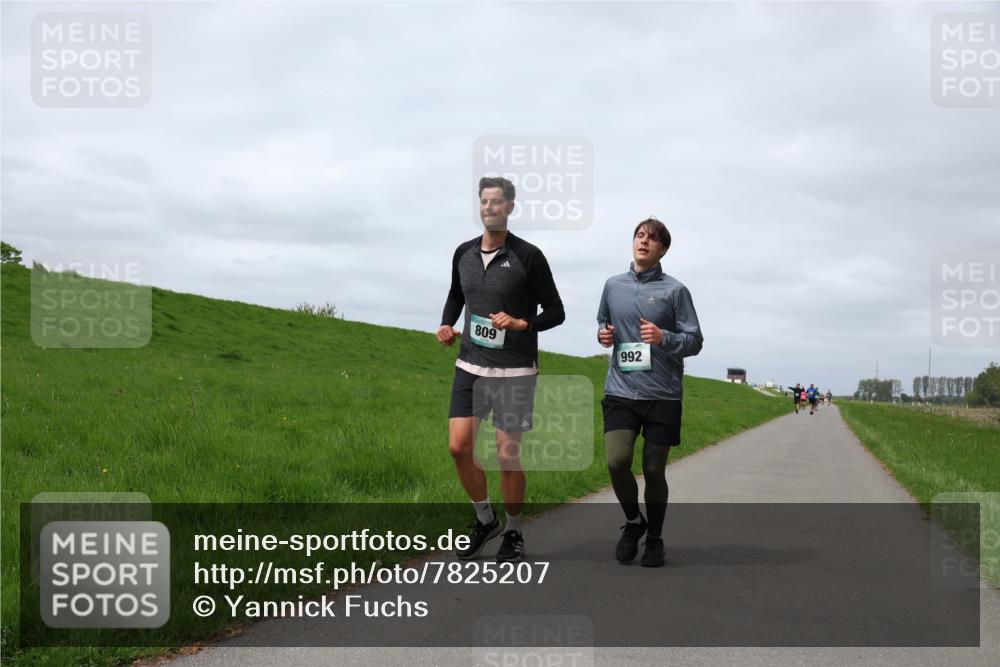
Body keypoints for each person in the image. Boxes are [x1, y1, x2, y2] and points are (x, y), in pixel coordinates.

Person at [437, 176, 565, 563]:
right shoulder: (463, 252)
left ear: (510, 207)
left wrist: (523, 323)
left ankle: (513, 530)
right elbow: (456, 294)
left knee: (507, 456)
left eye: (496, 202)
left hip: (515, 372)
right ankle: (484, 518)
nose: (489, 207)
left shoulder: (529, 256)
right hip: (470, 366)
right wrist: (446, 323)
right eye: (484, 202)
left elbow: (556, 311)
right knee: (459, 447)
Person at [597, 218, 703, 567]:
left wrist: (664, 337)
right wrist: (603, 335)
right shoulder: (612, 286)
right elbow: (603, 323)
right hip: (621, 390)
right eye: (639, 235)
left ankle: (654, 538)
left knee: (654, 470)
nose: (643, 241)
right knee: (616, 461)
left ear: (663, 249)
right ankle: (633, 522)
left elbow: (695, 341)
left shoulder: (676, 291)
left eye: (652, 238)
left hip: (663, 394)